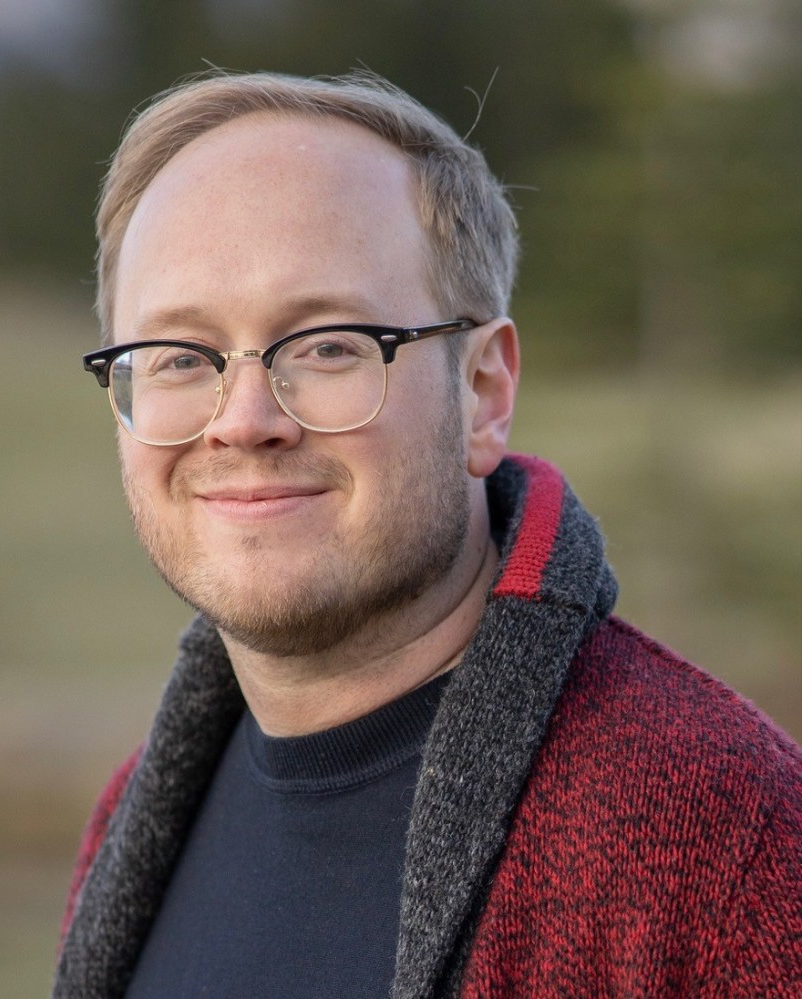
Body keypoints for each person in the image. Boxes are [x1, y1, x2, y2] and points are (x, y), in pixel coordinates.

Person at [53, 71, 801, 999]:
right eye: (176, 356)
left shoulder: (720, 836)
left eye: (328, 342)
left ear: (484, 391)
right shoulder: (132, 823)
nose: (243, 420)